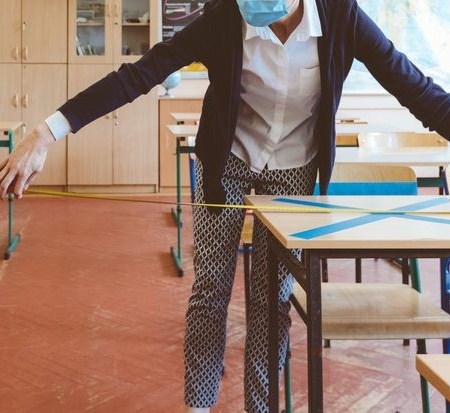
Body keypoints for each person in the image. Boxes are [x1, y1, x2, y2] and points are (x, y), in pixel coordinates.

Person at [1, 0, 450, 411]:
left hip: (294, 170)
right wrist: (47, 132)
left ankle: (260, 407)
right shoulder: (224, 17)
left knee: (272, 302)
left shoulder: (340, 15)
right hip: (227, 164)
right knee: (210, 291)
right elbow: (140, 75)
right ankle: (198, 406)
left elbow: (413, 87)